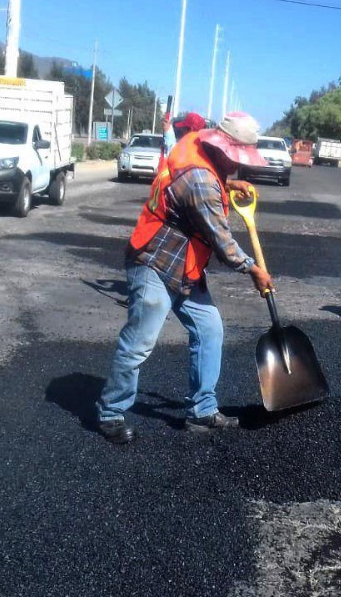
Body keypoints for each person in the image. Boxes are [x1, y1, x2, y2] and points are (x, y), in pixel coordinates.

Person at [97, 112, 273, 444]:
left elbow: (201, 186)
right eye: (237, 159)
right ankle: (110, 412)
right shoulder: (201, 181)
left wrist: (229, 183)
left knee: (209, 330)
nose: (239, 165)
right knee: (139, 343)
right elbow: (223, 242)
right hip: (155, 260)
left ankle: (202, 411)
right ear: (225, 148)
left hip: (186, 263)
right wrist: (254, 270)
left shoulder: (200, 145)